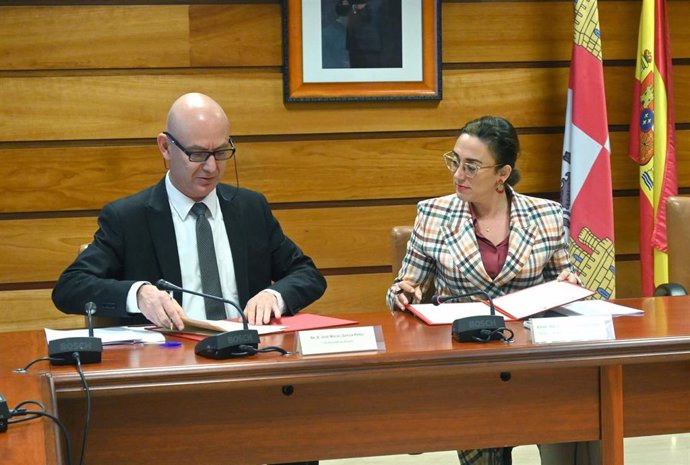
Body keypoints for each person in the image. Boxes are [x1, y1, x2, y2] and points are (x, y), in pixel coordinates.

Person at [386, 116, 598, 465]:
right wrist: (402, 293)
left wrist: (568, 285)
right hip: (469, 365)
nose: (458, 175)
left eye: (471, 166)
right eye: (454, 161)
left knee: (574, 431)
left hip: (535, 363)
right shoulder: (433, 214)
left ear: (502, 173)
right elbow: (403, 290)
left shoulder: (546, 214)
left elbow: (564, 277)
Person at [52, 92, 327, 340]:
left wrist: (274, 295)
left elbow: (307, 274)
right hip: (169, 359)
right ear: (165, 147)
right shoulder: (129, 218)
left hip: (247, 353)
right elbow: (70, 288)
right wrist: (138, 294)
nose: (211, 167)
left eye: (220, 152)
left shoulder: (250, 209)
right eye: (197, 154)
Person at [335, 0, 402, 68]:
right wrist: (347, 4)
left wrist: (363, 6)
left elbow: (388, 8)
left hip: (374, 44)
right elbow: (340, 10)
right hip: (354, 43)